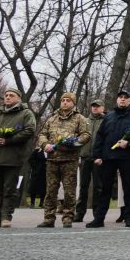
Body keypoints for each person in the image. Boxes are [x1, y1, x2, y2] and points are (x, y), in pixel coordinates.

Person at [86, 89, 130, 228]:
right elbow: (100, 136)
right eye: (120, 97)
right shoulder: (109, 116)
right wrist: (97, 156)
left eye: (126, 97)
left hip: (126, 158)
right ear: (117, 100)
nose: (122, 99)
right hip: (108, 158)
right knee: (104, 189)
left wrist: (129, 143)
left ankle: (129, 218)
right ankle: (99, 219)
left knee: (128, 188)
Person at [0, 88, 37, 228]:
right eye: (6, 95)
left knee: (9, 189)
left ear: (19, 98)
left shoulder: (25, 113)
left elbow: (30, 130)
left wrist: (9, 141)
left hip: (12, 157)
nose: (8, 97)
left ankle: (6, 217)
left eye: (11, 95)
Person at [36, 92, 91, 228]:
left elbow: (86, 134)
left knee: (69, 191)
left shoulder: (79, 118)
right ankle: (49, 218)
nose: (65, 102)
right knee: (50, 191)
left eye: (68, 100)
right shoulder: (52, 119)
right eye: (63, 100)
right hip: (52, 160)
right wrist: (45, 145)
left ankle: (67, 218)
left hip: (69, 160)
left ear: (73, 103)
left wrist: (74, 142)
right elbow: (42, 134)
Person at [75, 100, 105, 222]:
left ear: (102, 108)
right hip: (85, 157)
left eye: (97, 106)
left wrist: (103, 156)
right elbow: (77, 138)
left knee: (98, 187)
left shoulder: (106, 121)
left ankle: (97, 214)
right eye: (93, 106)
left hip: (99, 158)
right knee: (83, 186)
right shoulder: (84, 121)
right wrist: (78, 155)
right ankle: (80, 213)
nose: (95, 108)